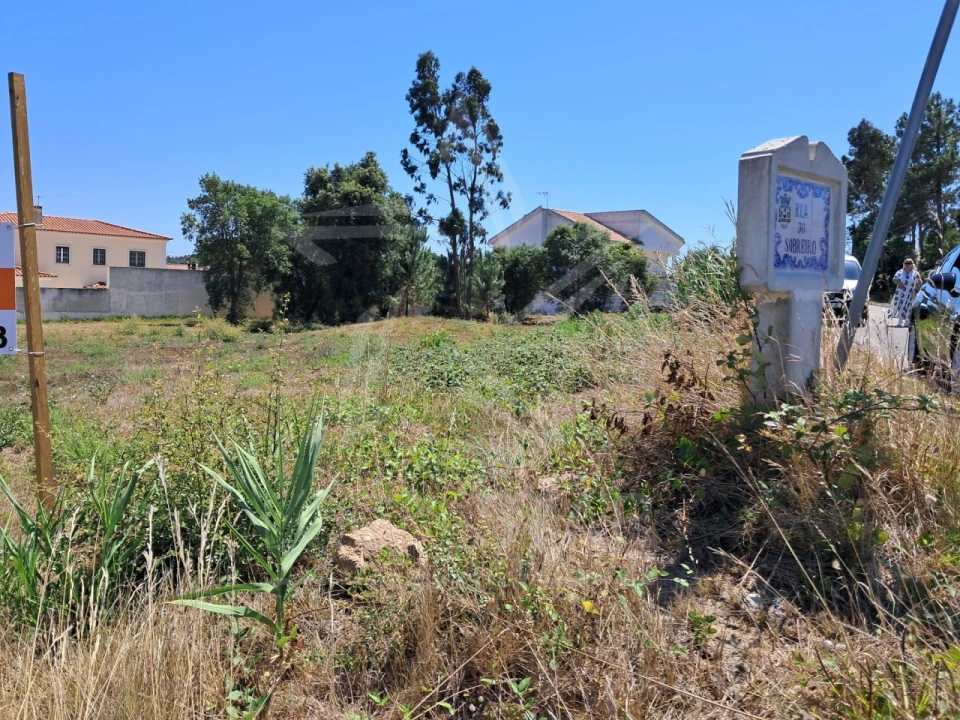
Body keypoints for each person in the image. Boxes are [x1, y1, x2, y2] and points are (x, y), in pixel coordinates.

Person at [889, 258, 921, 327]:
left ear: (912, 265)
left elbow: (919, 282)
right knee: (900, 306)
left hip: (910, 293)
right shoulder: (900, 272)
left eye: (909, 263)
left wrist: (916, 290)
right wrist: (899, 283)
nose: (907, 264)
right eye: (905, 263)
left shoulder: (915, 273)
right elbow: (894, 279)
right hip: (900, 293)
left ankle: (907, 321)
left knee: (908, 307)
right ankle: (900, 322)